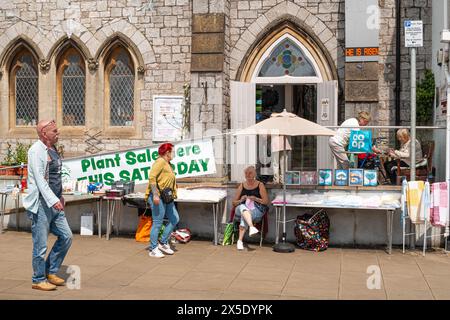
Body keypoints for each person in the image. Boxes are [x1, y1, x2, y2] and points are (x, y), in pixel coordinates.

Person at [23, 120, 73, 291]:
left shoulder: (53, 149)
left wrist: (60, 196)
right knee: (40, 244)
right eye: (55, 131)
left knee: (66, 236)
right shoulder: (36, 151)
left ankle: (50, 271)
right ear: (44, 133)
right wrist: (54, 200)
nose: (58, 133)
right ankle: (38, 279)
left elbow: (55, 177)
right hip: (42, 204)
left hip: (55, 201)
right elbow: (40, 180)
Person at [145, 142, 179, 258]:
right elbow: (152, 177)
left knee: (175, 219)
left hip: (168, 197)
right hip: (158, 196)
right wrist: (154, 194)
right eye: (173, 152)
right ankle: (153, 248)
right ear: (167, 152)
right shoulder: (160, 162)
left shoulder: (168, 164)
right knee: (157, 223)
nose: (174, 154)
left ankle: (163, 242)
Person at [231, 166, 270, 250]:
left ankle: (240, 241)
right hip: (240, 208)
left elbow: (266, 201)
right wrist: (241, 200)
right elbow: (234, 203)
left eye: (250, 173)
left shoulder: (260, 185)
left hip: (256, 210)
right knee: (242, 206)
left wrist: (256, 199)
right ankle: (251, 226)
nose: (248, 175)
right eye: (246, 173)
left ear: (255, 174)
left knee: (244, 215)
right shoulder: (242, 185)